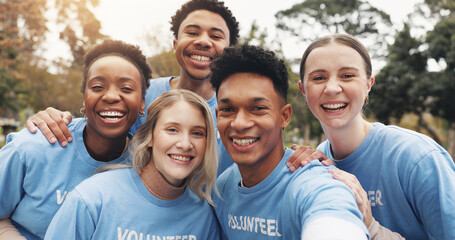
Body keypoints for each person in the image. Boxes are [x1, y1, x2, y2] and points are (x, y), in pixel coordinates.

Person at [23, 0, 321, 176]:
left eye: (216, 35)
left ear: (229, 49)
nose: (203, 41)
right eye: (192, 32)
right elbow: (96, 117)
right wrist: (52, 119)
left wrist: (303, 156)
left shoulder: (236, 111)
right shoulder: (138, 93)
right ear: (175, 43)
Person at [298, 33, 455, 240]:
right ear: (303, 89)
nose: (332, 88)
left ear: (368, 84)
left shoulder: (418, 158)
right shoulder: (316, 166)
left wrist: (372, 228)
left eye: (347, 76)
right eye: (319, 78)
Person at [210, 44, 369, 239]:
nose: (240, 123)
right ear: (217, 116)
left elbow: (331, 213)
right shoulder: (223, 188)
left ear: (284, 116)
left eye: (258, 108)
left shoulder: (313, 183)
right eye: (227, 110)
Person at [0, 39, 152, 240]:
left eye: (126, 88)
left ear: (142, 103)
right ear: (84, 98)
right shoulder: (33, 146)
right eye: (98, 86)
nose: (111, 96)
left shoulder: (147, 168)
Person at [44, 89, 220, 239]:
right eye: (172, 130)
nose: (185, 144)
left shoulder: (203, 215)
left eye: (197, 133)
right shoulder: (93, 198)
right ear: (150, 137)